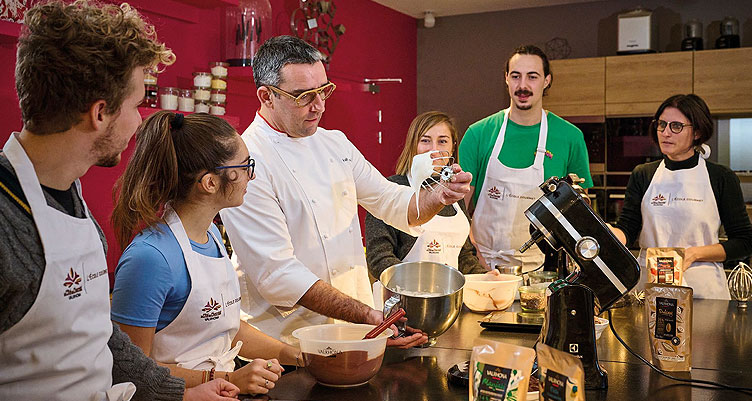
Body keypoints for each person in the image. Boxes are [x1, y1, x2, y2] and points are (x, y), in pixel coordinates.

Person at [0, 1, 238, 400]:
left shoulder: (71, 202)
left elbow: (99, 336)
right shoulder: (8, 223)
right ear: (99, 113)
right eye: (136, 104)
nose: (140, 120)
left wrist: (180, 393)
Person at [219, 36, 472, 347]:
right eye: (304, 96)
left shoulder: (335, 143)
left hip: (354, 332)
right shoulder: (248, 162)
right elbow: (278, 275)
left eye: (324, 90)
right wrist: (367, 315)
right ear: (267, 96)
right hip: (286, 346)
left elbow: (390, 201)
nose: (319, 105)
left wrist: (439, 196)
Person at [111, 112, 300, 395]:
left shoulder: (211, 234)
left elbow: (226, 327)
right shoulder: (150, 258)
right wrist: (227, 378)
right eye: (246, 166)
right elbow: (131, 370)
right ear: (210, 183)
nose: (252, 175)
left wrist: (297, 355)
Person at [459, 45, 593, 273]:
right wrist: (469, 257)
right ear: (506, 79)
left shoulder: (570, 137)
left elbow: (581, 211)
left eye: (532, 77)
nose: (523, 86)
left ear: (547, 80)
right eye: (516, 76)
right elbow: (457, 208)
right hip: (481, 267)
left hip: (543, 270)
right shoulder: (478, 133)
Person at [609, 94, 752, 300]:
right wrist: (607, 233)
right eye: (662, 125)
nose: (666, 132)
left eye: (676, 126)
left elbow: (743, 242)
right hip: (651, 288)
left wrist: (693, 254)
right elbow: (628, 229)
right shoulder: (643, 174)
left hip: (702, 291)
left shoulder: (720, 177)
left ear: (697, 132)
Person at [365, 111, 487, 287]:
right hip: (402, 302)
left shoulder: (453, 194)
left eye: (442, 141)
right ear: (413, 145)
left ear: (453, 147)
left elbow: (464, 256)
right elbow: (379, 258)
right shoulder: (390, 189)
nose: (434, 149)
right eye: (425, 140)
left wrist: (486, 278)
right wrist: (420, 286)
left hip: (448, 300)